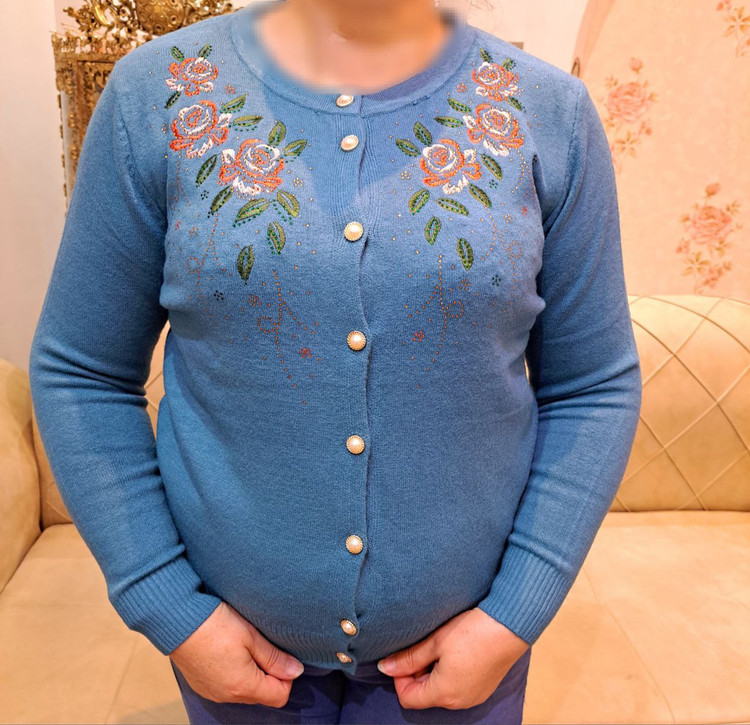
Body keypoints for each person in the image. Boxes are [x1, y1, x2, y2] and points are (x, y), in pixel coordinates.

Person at [28, 0, 643, 722]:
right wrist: (167, 603)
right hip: (236, 665)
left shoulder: (548, 113)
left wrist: (514, 614)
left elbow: (592, 386)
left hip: (467, 664)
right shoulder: (155, 96)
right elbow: (82, 373)